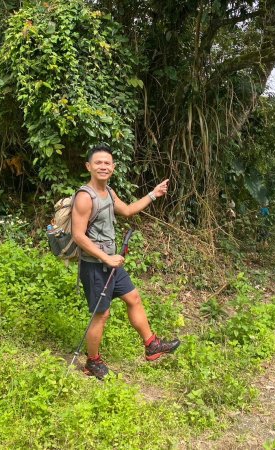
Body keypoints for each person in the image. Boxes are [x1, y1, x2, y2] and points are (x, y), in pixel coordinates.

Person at [71, 144, 180, 379]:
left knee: (133, 297)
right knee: (101, 315)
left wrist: (153, 194)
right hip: (95, 265)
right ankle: (92, 362)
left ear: (113, 167)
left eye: (107, 163)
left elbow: (128, 210)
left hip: (112, 263)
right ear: (88, 166)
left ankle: (152, 345)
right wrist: (106, 257)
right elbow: (78, 235)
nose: (103, 166)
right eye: (98, 162)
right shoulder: (84, 197)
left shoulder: (108, 192)